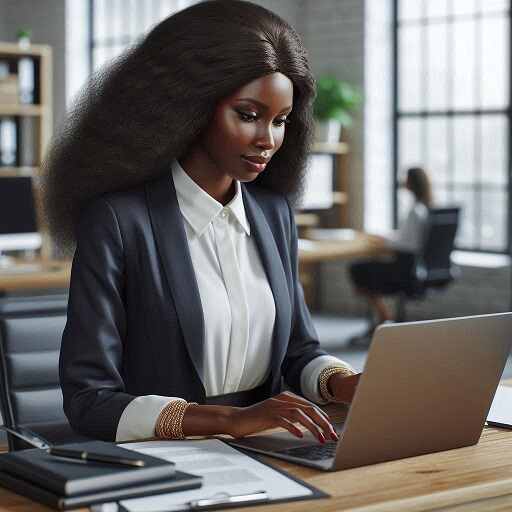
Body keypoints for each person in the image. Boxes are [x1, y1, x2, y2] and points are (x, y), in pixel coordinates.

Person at [44, 0, 361, 445]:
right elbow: (88, 400)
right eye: (248, 115)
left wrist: (346, 384)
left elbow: (298, 351)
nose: (267, 140)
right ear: (190, 106)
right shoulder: (119, 221)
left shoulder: (273, 215)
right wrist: (228, 421)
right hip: (168, 463)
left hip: (274, 451)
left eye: (281, 120)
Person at [349, 167, 433, 330]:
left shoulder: (415, 212)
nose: (403, 181)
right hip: (413, 268)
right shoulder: (423, 209)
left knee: (357, 269)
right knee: (366, 268)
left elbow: (408, 244)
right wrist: (386, 238)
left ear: (412, 183)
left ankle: (383, 316)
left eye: (406, 178)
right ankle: (383, 316)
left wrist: (383, 243)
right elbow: (407, 236)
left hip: (404, 269)